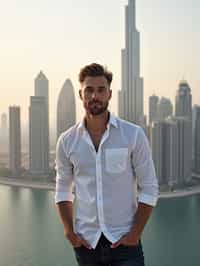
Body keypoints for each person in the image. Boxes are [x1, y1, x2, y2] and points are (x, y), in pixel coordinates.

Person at [55, 63, 159, 266]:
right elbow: (63, 189)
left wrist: (134, 234)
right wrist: (70, 232)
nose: (95, 96)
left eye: (101, 90)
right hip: (87, 246)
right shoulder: (67, 141)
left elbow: (149, 187)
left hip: (126, 245)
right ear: (81, 94)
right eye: (89, 90)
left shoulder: (132, 135)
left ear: (110, 94)